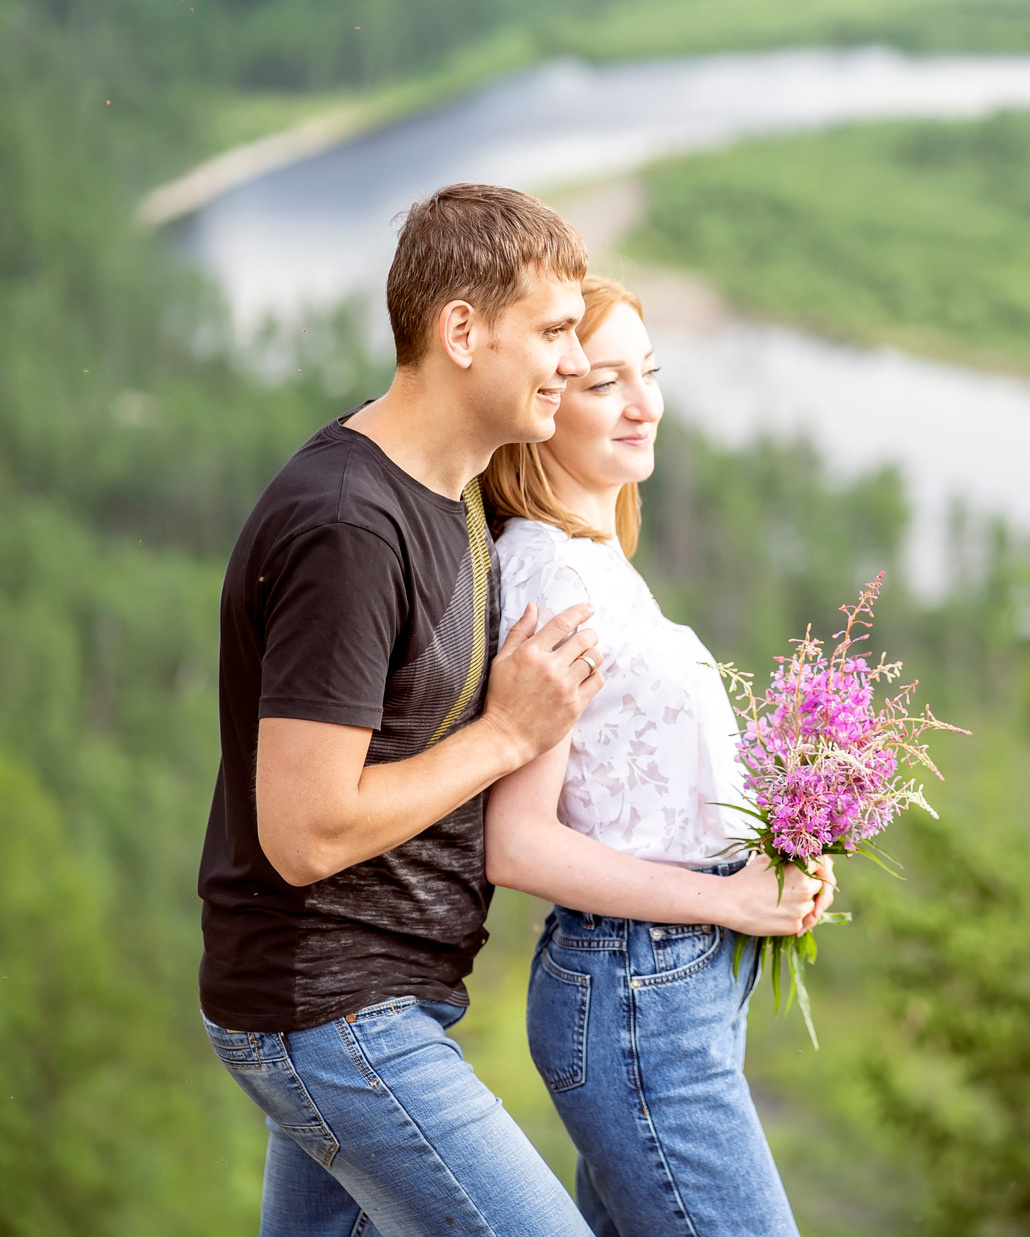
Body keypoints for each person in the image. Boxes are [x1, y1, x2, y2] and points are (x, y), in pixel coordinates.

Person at [198, 183, 608, 1237]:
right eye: (554, 332)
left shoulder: (450, 481)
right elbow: (303, 831)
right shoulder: (350, 526)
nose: (575, 360)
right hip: (331, 1009)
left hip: (371, 1001)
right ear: (460, 330)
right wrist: (505, 736)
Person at [484, 275, 833, 1237]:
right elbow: (515, 844)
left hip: (669, 988)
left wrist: (779, 862)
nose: (649, 404)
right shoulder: (553, 573)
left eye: (652, 372)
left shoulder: (594, 559)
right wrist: (725, 898)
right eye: (605, 383)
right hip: (638, 995)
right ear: (542, 403)